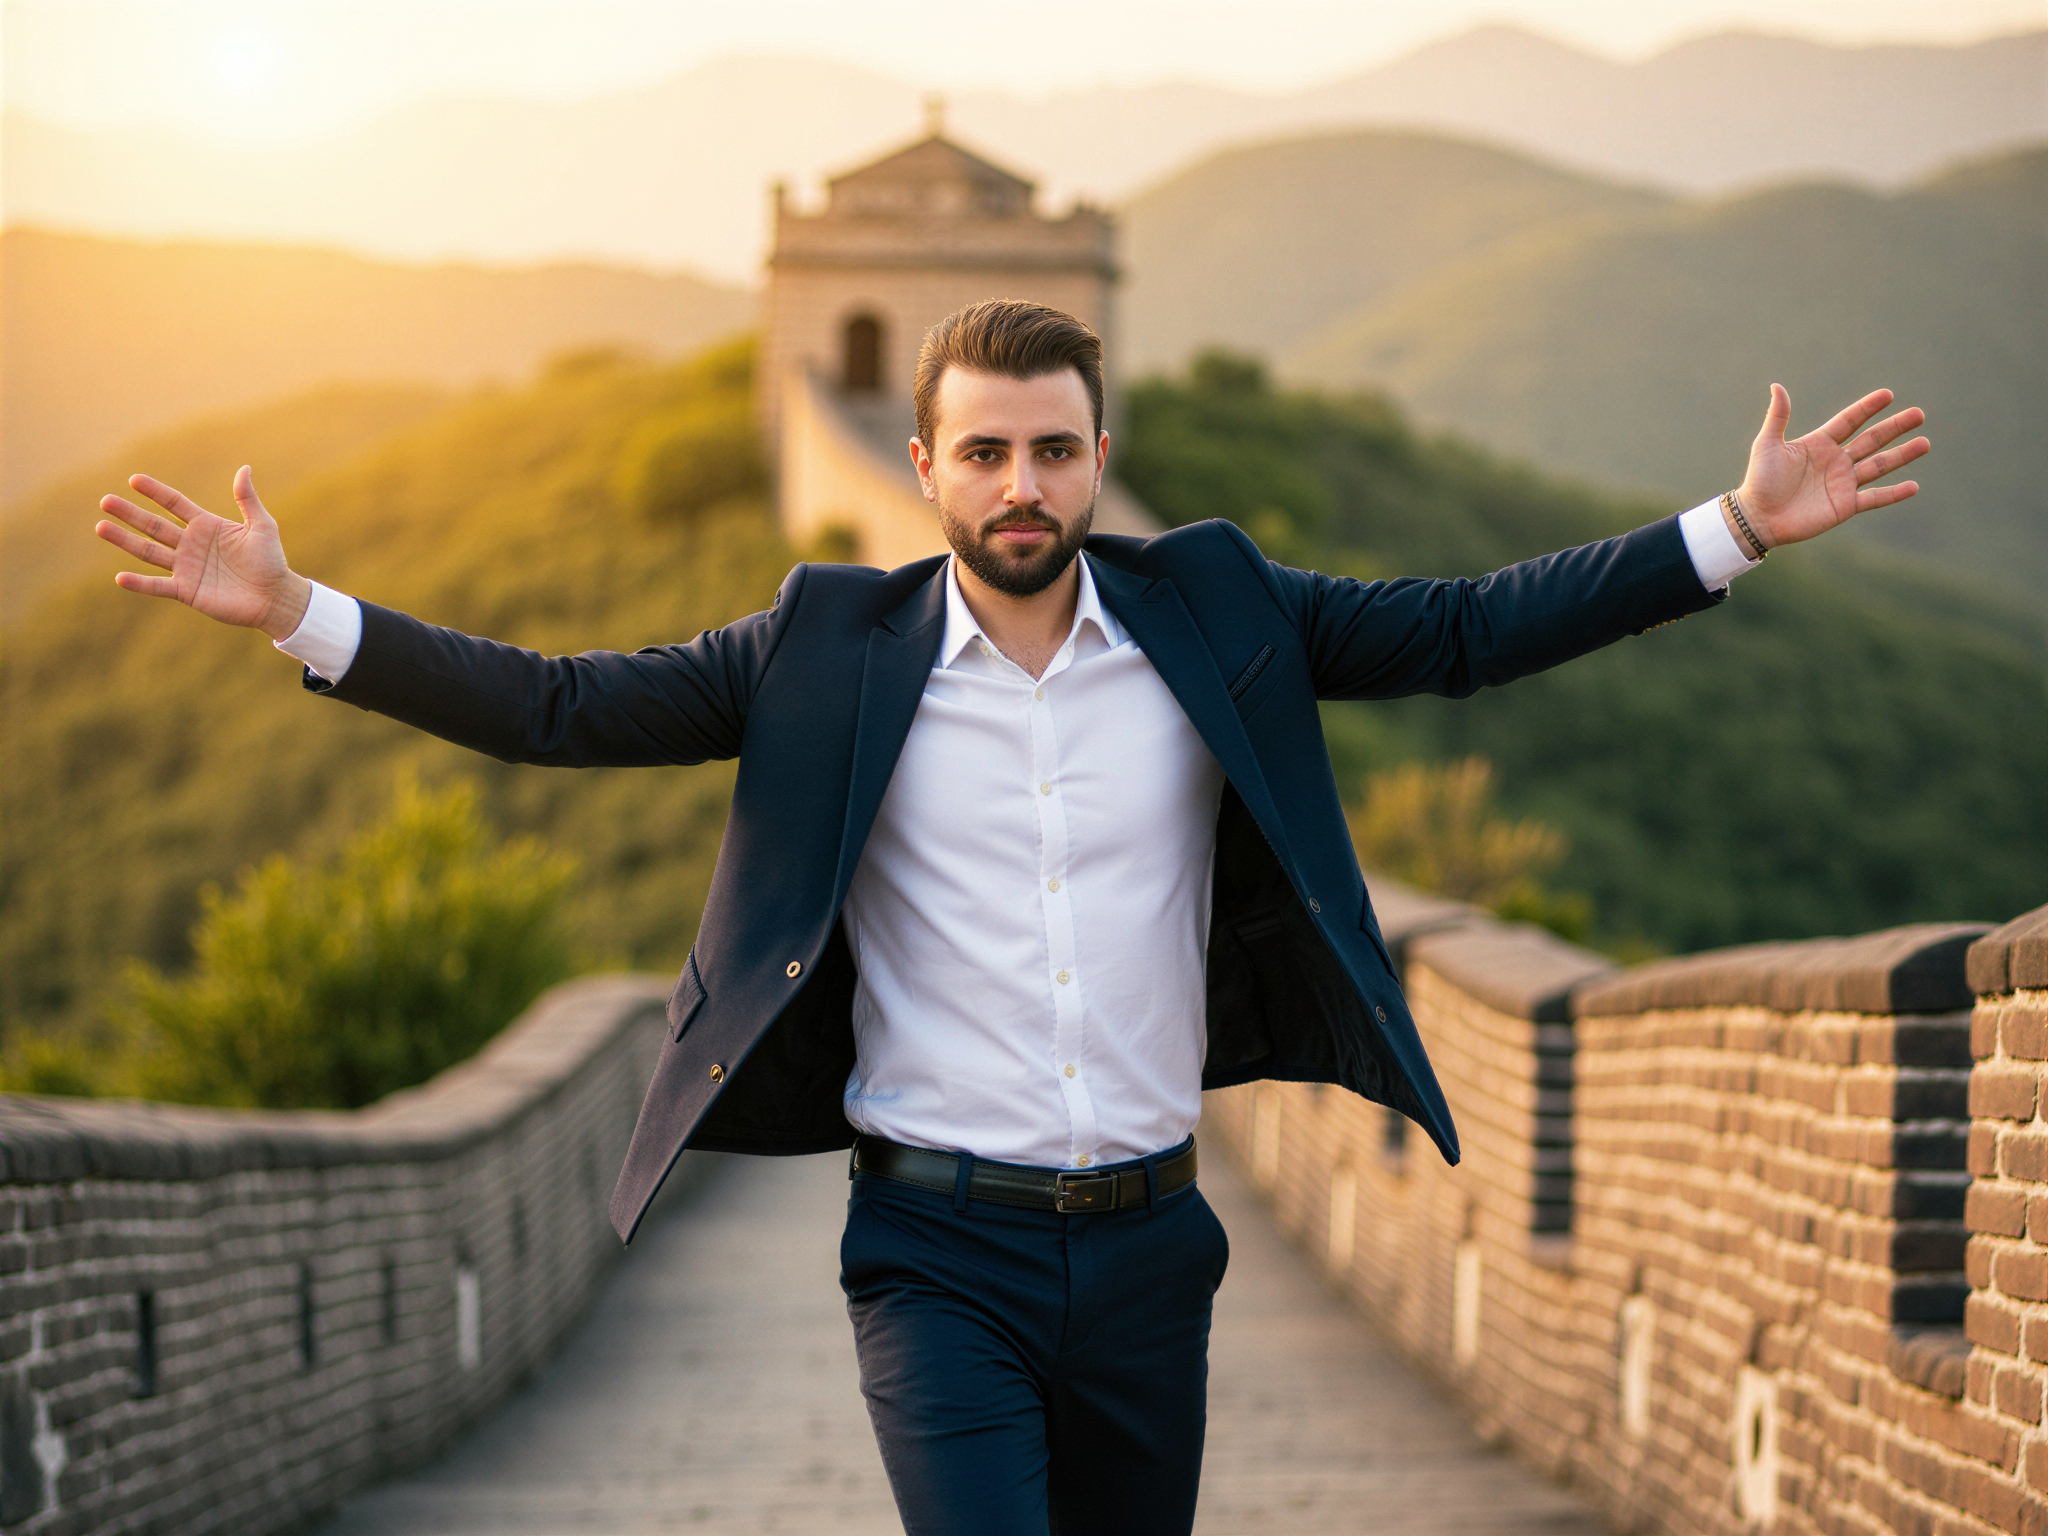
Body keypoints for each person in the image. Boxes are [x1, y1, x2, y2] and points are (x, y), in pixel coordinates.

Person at [94, 299, 1928, 1535]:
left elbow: (1461, 630)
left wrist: (1732, 531)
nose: (1022, 488)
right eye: (984, 454)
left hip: (1154, 1246)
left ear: (1099, 454)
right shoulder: (823, 647)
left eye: (1054, 451)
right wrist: (303, 615)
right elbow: (562, 707)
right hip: (933, 1249)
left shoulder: (1218, 609)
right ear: (924, 470)